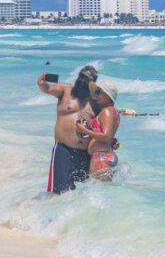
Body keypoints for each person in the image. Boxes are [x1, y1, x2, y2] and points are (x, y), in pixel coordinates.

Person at [38, 65, 99, 194]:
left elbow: (102, 122)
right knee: (59, 192)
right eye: (82, 77)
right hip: (63, 149)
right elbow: (47, 88)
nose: (83, 81)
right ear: (78, 77)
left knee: (81, 194)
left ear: (92, 83)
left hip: (85, 153)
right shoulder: (65, 90)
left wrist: (112, 139)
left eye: (87, 80)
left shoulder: (95, 101)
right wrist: (41, 83)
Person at [76, 80, 120, 181]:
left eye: (99, 92)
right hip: (104, 156)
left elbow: (105, 136)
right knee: (102, 192)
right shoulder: (112, 111)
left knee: (100, 193)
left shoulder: (107, 111)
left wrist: (84, 130)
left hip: (101, 157)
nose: (96, 96)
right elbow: (108, 135)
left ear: (108, 96)